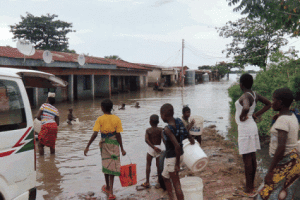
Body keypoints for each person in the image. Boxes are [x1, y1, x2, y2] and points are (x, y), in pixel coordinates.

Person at [255, 88, 300, 200]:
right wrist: (279, 117)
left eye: (273, 99)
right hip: (294, 162)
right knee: (284, 194)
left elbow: (281, 147)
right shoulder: (292, 116)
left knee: (263, 195)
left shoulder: (283, 121)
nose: (272, 102)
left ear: (279, 102)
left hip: (284, 163)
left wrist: (270, 171)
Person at [235, 73, 271, 197]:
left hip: (245, 127)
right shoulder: (254, 95)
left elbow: (245, 107)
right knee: (252, 156)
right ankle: (251, 186)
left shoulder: (245, 95)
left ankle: (249, 189)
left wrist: (242, 116)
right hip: (252, 126)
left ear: (241, 84)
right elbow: (269, 104)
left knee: (247, 158)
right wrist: (255, 114)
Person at [84, 99, 126, 200]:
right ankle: (111, 191)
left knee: (106, 165)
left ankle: (107, 187)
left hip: (104, 144)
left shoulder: (100, 119)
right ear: (111, 108)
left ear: (102, 108)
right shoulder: (117, 119)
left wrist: (87, 146)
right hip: (114, 143)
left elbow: (95, 134)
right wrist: (122, 149)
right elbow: (118, 134)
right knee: (113, 166)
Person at [160, 103, 195, 200]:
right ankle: (171, 197)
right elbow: (185, 131)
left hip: (173, 158)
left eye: (161, 115)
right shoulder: (179, 121)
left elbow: (177, 146)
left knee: (177, 184)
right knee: (165, 176)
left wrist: (177, 165)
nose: (161, 117)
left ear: (164, 116)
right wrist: (190, 138)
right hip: (178, 156)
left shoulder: (167, 129)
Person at [141, 114, 163, 189]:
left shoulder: (148, 130)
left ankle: (147, 182)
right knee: (158, 166)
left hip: (151, 148)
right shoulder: (160, 130)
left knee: (148, 165)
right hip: (158, 148)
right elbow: (164, 139)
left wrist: (153, 147)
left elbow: (146, 140)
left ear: (150, 122)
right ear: (158, 122)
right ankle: (159, 182)